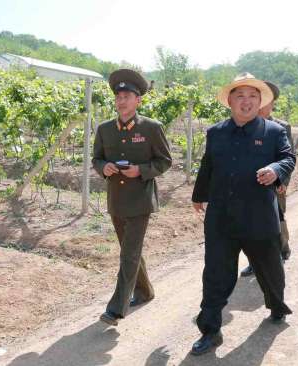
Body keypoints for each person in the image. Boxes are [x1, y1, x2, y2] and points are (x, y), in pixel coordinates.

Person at [191, 73, 295, 355]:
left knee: (270, 269)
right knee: (215, 274)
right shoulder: (216, 132)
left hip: (259, 215)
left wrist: (275, 170)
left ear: (260, 101)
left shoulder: (273, 132)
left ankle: (276, 305)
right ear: (230, 101)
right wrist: (199, 195)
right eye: (240, 96)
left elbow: (288, 158)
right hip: (222, 217)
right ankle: (210, 330)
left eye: (252, 97)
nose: (246, 102)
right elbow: (208, 164)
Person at [92, 69, 172, 326]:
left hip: (140, 200)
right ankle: (145, 291)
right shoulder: (105, 129)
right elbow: (97, 158)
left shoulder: (151, 128)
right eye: (118, 96)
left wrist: (142, 170)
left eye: (127, 96)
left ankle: (116, 308)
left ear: (138, 100)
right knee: (131, 251)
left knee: (128, 254)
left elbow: (165, 161)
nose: (121, 101)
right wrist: (103, 167)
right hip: (116, 199)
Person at [240, 81, 295, 277]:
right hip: (251, 185)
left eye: (264, 100)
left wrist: (282, 182)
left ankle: (281, 250)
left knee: (276, 218)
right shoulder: (244, 125)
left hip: (275, 182)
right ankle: (254, 261)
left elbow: (289, 157)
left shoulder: (281, 127)